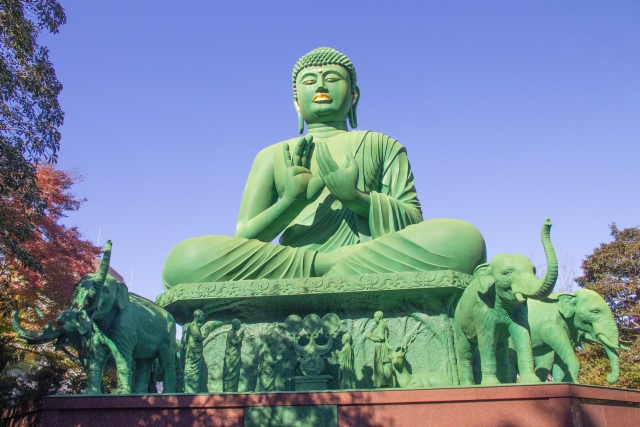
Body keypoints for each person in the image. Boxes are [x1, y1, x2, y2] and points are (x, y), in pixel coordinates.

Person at [162, 47, 486, 289]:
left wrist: (358, 199)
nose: (321, 86)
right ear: (296, 103)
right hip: (293, 264)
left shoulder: (383, 145)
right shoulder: (272, 155)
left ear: (354, 96)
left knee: (463, 240)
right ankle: (330, 268)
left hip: (369, 255)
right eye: (309, 81)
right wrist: (292, 203)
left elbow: (413, 222)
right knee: (183, 261)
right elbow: (245, 237)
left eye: (332, 79)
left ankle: (336, 267)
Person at [365, 311, 394, 388]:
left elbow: (381, 338)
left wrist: (370, 336)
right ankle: (381, 382)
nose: (374, 318)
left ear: (379, 317)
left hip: (380, 347)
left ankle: (382, 383)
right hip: (379, 346)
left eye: (375, 316)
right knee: (379, 364)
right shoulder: (381, 325)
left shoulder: (381, 325)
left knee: (379, 364)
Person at [182, 309, 208, 393]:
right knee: (192, 371)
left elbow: (187, 338)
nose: (203, 317)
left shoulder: (193, 326)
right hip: (193, 353)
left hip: (195, 352)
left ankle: (194, 390)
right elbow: (198, 338)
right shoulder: (193, 326)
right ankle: (191, 391)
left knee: (196, 371)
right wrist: (206, 334)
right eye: (202, 315)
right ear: (198, 316)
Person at [223, 319, 244, 392]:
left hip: (236, 357)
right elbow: (235, 343)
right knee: (230, 373)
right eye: (239, 324)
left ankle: (234, 391)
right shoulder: (230, 333)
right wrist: (241, 337)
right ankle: (228, 391)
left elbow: (238, 346)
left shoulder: (235, 334)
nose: (239, 326)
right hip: (231, 357)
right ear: (234, 324)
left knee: (236, 375)